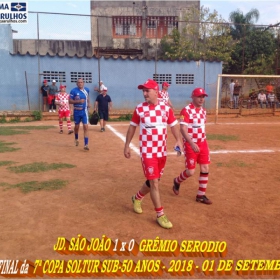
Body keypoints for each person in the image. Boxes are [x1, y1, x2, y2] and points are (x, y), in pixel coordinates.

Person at [124, 79, 183, 229]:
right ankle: (160, 214)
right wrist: (127, 146)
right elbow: (132, 128)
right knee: (154, 182)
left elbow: (174, 126)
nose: (144, 94)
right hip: (148, 152)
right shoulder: (139, 109)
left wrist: (179, 141)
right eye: (143, 91)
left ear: (156, 92)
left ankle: (137, 198)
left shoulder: (165, 109)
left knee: (153, 182)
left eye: (147, 91)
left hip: (161, 152)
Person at [173, 88, 212, 205]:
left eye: (203, 97)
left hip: (202, 143)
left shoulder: (203, 111)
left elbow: (201, 127)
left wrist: (201, 140)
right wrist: (191, 143)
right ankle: (177, 181)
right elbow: (183, 129)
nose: (202, 99)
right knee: (190, 172)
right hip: (190, 144)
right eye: (199, 96)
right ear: (193, 97)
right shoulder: (186, 111)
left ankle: (201, 195)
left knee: (205, 168)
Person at [69, 78, 91, 150]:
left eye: (81, 82)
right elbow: (70, 101)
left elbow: (87, 97)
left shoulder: (86, 90)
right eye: (79, 82)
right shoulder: (73, 91)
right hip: (76, 111)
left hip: (84, 111)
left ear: (83, 83)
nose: (80, 83)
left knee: (86, 127)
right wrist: (78, 101)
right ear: (77, 84)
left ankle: (86, 144)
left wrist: (89, 103)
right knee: (77, 127)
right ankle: (76, 138)